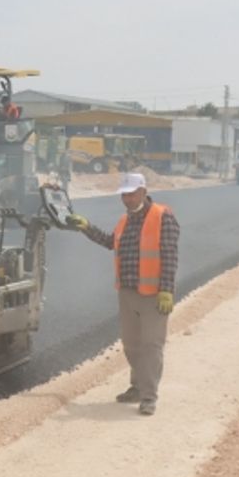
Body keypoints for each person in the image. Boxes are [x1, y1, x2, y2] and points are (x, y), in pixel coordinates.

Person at [65, 173, 179, 416]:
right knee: (132, 345)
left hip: (153, 295)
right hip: (127, 292)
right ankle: (137, 387)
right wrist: (87, 227)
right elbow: (111, 243)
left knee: (151, 345)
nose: (127, 199)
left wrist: (166, 289)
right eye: (124, 195)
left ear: (143, 191)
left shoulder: (162, 216)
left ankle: (149, 396)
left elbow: (169, 254)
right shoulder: (124, 221)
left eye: (131, 194)